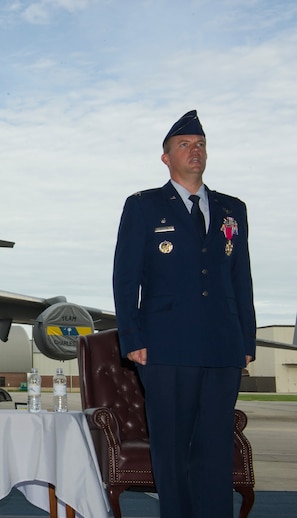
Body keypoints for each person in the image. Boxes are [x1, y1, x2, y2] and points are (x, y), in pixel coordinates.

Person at [112, 110, 256, 517]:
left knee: (214, 449)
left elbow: (240, 277)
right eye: (184, 145)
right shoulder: (143, 206)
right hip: (165, 346)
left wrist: (246, 339)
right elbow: (126, 278)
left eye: (200, 144)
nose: (195, 151)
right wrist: (133, 338)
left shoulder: (232, 209)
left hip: (222, 346)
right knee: (172, 449)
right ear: (166, 158)